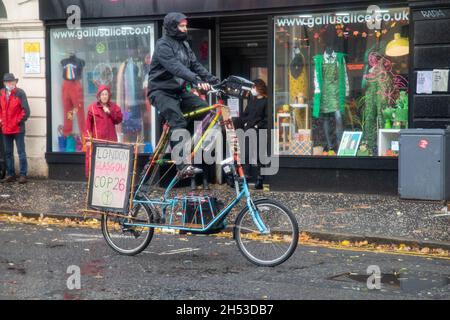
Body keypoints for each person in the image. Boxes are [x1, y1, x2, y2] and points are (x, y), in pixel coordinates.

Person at [147, 12, 219, 178]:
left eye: (186, 25)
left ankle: (182, 136)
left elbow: (195, 65)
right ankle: (181, 165)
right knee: (177, 120)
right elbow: (175, 67)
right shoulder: (162, 45)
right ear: (173, 27)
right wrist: (196, 81)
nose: (185, 28)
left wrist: (213, 80)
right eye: (182, 26)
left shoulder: (185, 45)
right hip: (161, 90)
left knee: (206, 111)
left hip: (178, 90)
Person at [235, 79, 268, 190]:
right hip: (248, 130)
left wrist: (257, 126)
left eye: (254, 87)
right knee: (246, 155)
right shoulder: (252, 101)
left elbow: (266, 118)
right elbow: (245, 114)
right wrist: (244, 123)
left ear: (259, 88)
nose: (252, 90)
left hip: (258, 131)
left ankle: (260, 179)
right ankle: (246, 179)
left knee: (259, 155)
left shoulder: (266, 101)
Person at [85, 85, 123, 177]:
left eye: (106, 94)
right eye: (102, 94)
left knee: (109, 164)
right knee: (98, 164)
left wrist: (109, 112)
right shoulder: (92, 108)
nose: (104, 96)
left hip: (111, 141)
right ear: (99, 96)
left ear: (109, 95)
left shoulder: (114, 107)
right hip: (97, 141)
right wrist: (88, 140)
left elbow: (118, 120)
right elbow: (88, 126)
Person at [0, 73, 30, 184]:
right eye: (7, 82)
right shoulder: (1, 93)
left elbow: (26, 111)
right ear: (4, 83)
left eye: (12, 81)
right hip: (6, 128)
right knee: (8, 153)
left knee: (21, 152)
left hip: (18, 129)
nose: (10, 83)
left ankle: (23, 175)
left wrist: (17, 121)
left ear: (15, 82)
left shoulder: (20, 93)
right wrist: (1, 121)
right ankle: (10, 174)